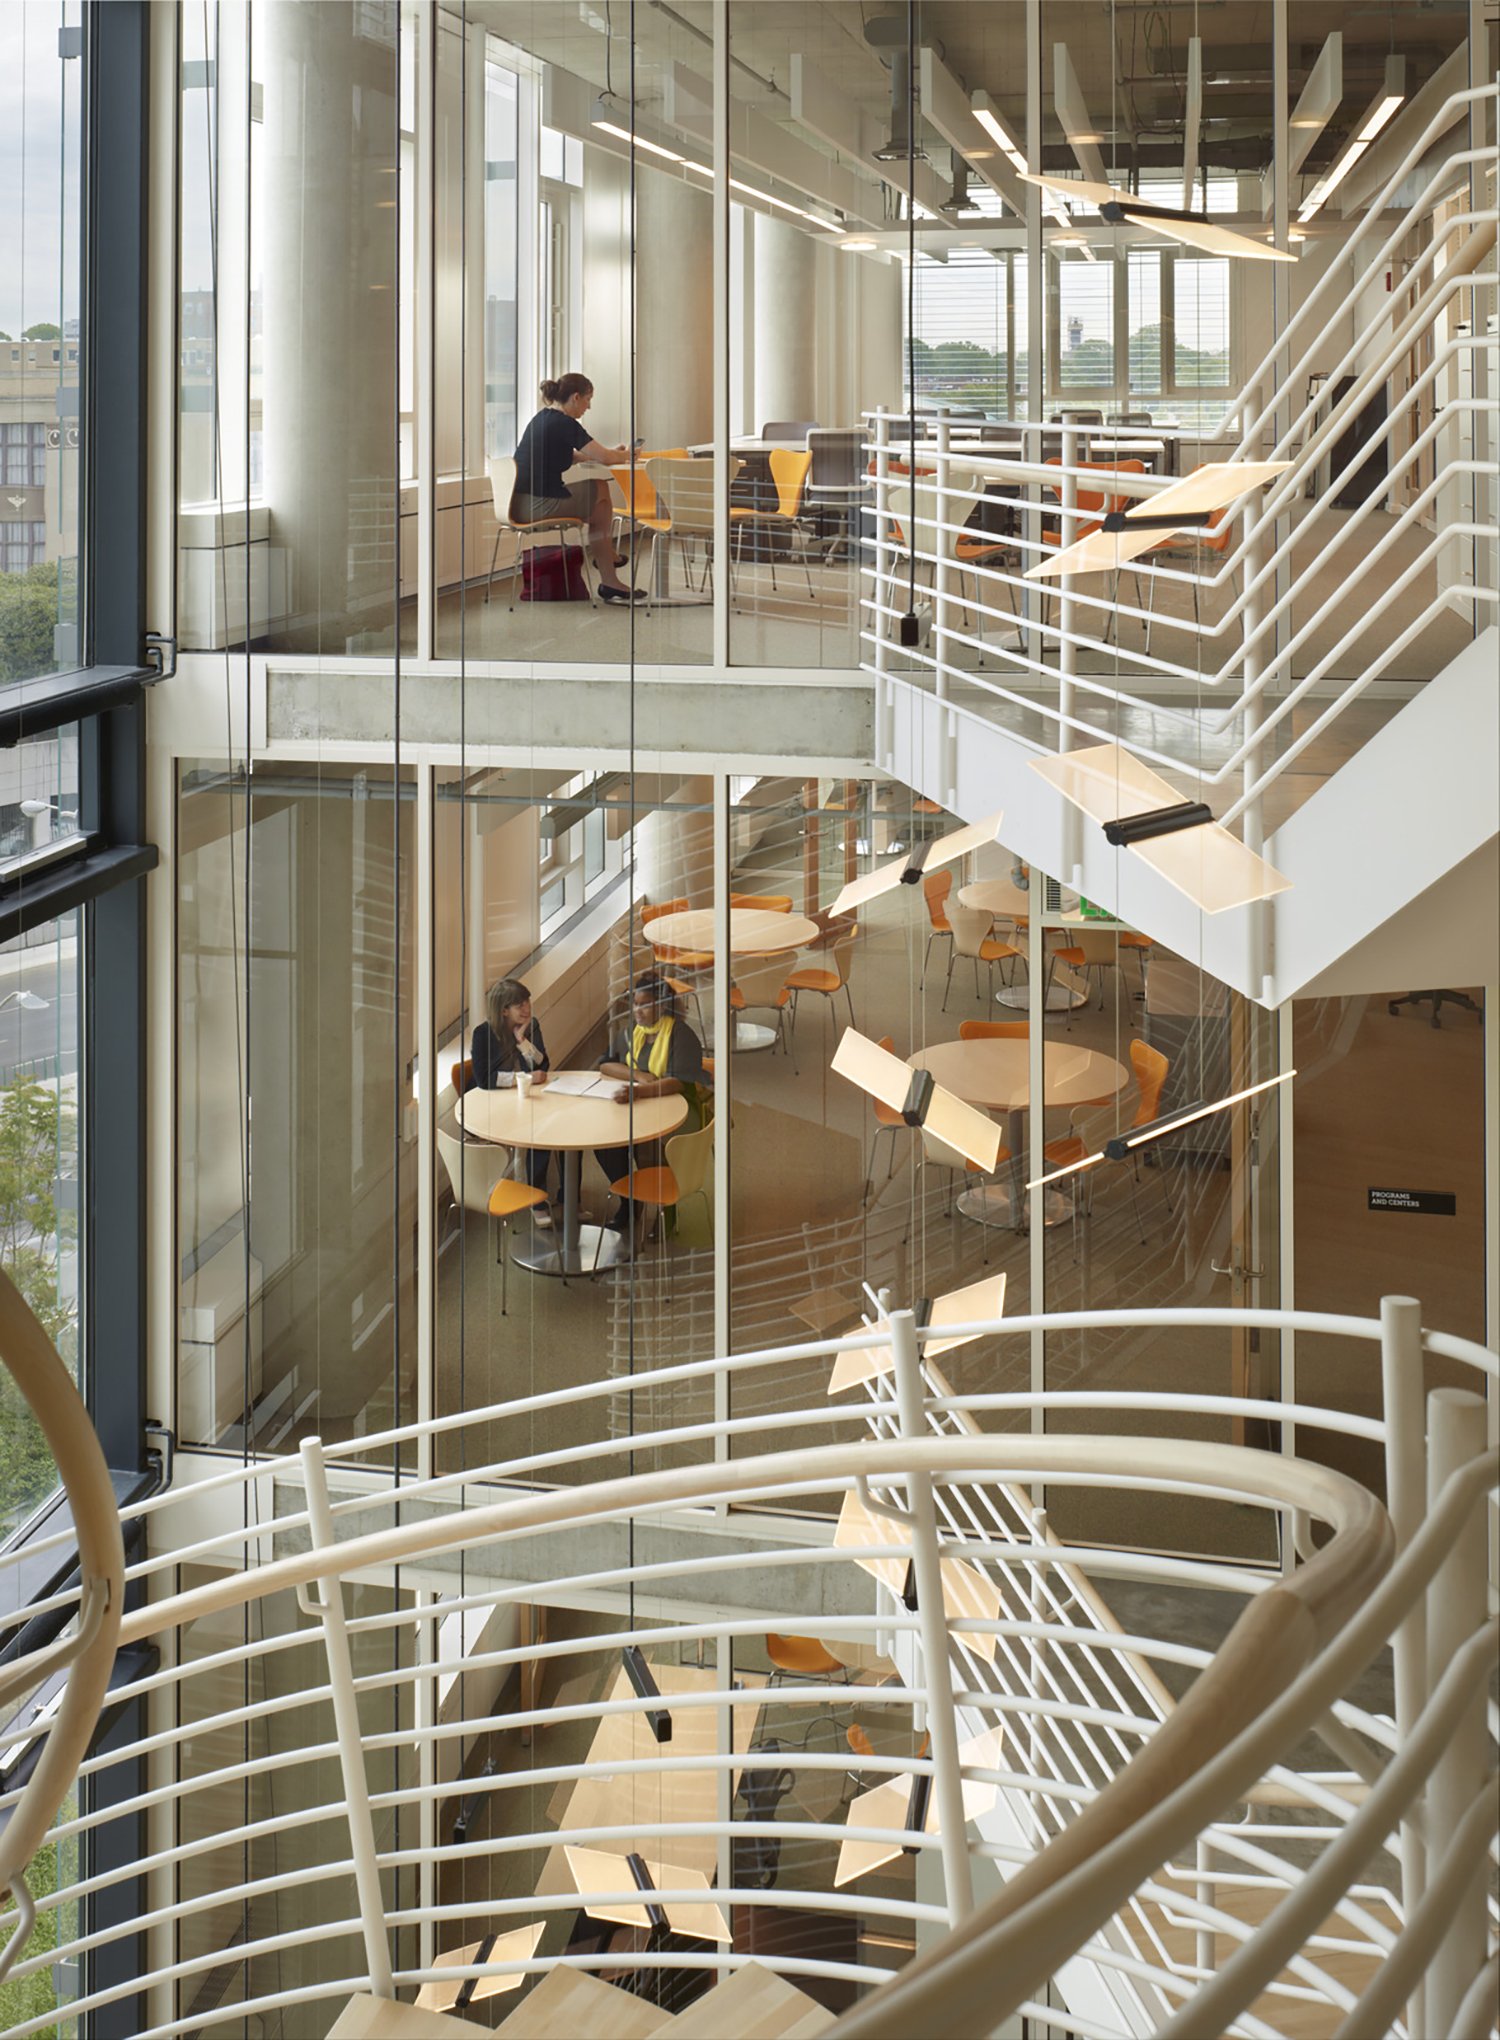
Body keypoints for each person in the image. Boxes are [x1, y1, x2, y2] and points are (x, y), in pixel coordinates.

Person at [594, 973, 710, 1235]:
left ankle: (666, 1211)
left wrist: (640, 1093)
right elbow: (606, 1063)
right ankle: (629, 1203)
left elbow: (678, 1082)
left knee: (647, 1146)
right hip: (643, 1105)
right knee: (605, 1146)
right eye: (635, 1004)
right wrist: (639, 1076)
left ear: (661, 1005)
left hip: (681, 1109)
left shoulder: (681, 1035)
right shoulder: (633, 1032)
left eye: (644, 1004)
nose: (637, 1011)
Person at [512, 373, 644, 603]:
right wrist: (625, 455)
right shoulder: (565, 423)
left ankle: (608, 567)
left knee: (599, 503)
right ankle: (608, 567)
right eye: (588, 399)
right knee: (601, 489)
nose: (589, 406)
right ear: (575, 397)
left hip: (519, 503)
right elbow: (604, 458)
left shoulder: (543, 418)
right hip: (537, 504)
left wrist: (613, 454)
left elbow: (573, 455)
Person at [471, 977, 558, 1223]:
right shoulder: (483, 1034)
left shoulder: (531, 1026)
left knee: (546, 1128)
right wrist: (526, 1077)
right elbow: (484, 1079)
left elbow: (544, 1064)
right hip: (492, 1104)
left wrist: (523, 1042)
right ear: (504, 1010)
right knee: (536, 1132)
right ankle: (536, 1200)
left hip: (524, 1098)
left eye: (527, 1001)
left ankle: (560, 1194)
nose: (527, 1008)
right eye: (519, 1004)